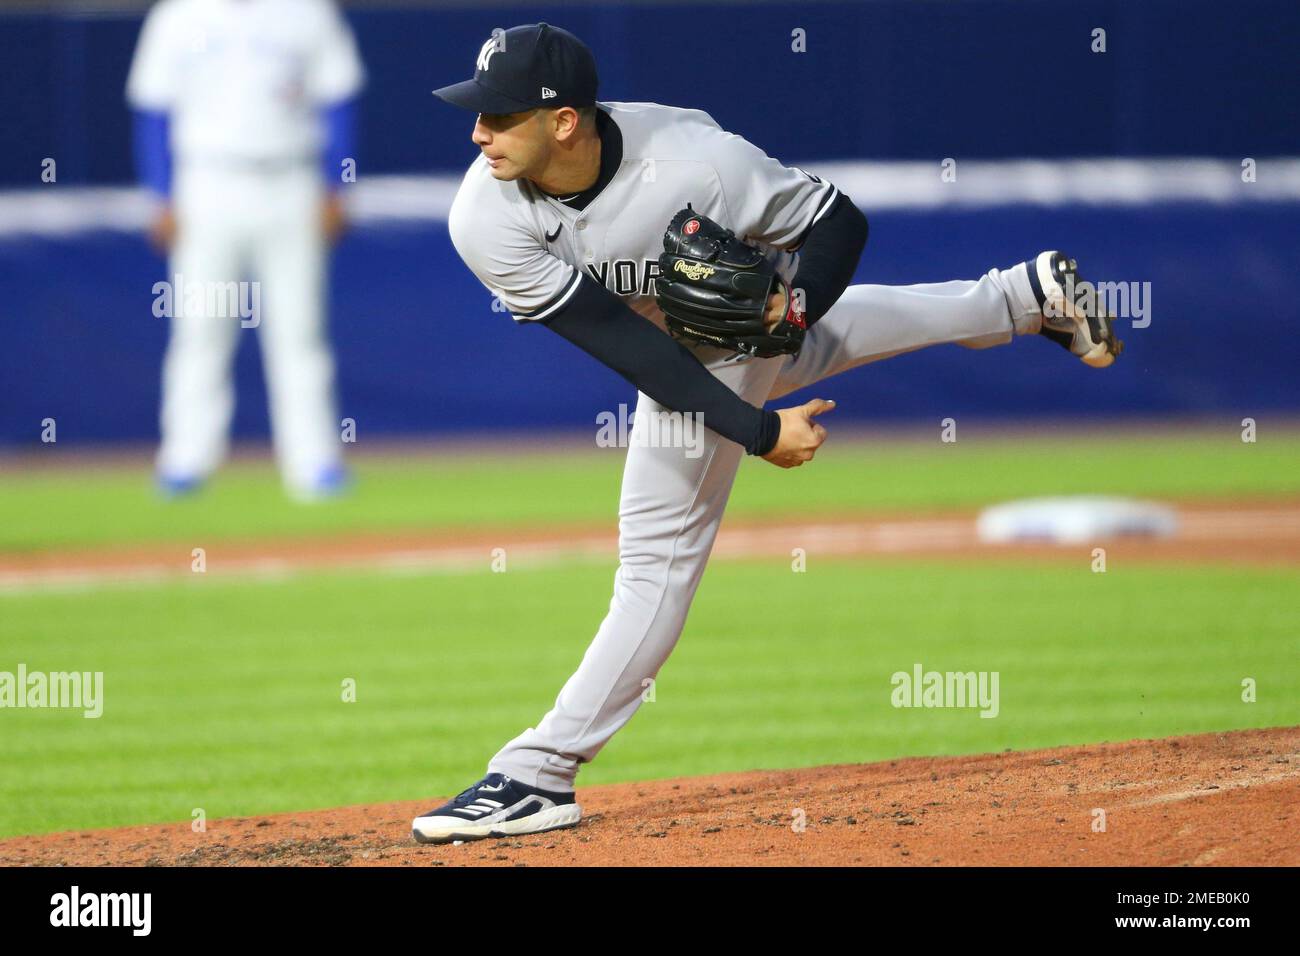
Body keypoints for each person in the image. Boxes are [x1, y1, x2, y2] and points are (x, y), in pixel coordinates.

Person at [412, 23, 1121, 844]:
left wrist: (790, 319)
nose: (477, 133)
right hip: (676, 342)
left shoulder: (697, 164)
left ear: (564, 120)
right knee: (804, 354)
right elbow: (627, 344)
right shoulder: (485, 214)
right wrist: (757, 424)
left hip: (735, 325)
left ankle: (538, 774)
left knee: (655, 563)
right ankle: (1022, 296)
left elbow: (837, 221)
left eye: (498, 116)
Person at [125, 0, 365, 500]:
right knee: (202, 327)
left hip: (290, 179)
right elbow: (153, 108)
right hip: (209, 182)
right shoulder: (178, 16)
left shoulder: (306, 12)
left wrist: (336, 186)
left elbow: (338, 97)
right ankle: (185, 460)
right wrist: (161, 193)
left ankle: (314, 463)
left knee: (299, 330)